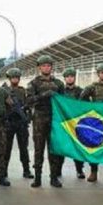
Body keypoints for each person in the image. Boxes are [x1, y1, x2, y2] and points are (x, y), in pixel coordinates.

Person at [26, 55, 65, 187]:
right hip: (39, 118)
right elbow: (29, 101)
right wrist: (43, 95)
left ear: (51, 67)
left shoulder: (59, 83)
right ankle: (37, 177)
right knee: (38, 149)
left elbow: (64, 102)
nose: (46, 67)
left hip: (54, 118)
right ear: (39, 67)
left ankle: (53, 177)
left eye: (48, 65)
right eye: (43, 65)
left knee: (53, 149)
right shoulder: (33, 83)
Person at [3, 68, 33, 179]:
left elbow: (29, 106)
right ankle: (4, 171)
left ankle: (26, 170)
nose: (15, 79)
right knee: (6, 148)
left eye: (16, 77)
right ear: (9, 78)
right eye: (13, 77)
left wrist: (28, 117)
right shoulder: (4, 91)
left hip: (21, 123)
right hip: (9, 123)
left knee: (24, 148)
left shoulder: (23, 91)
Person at [61, 67, 86, 179]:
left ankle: (79, 170)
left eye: (72, 76)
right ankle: (57, 170)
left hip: (77, 123)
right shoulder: (60, 91)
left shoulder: (81, 91)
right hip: (64, 122)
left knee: (78, 147)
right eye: (68, 77)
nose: (70, 78)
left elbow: (86, 105)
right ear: (65, 78)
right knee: (61, 147)